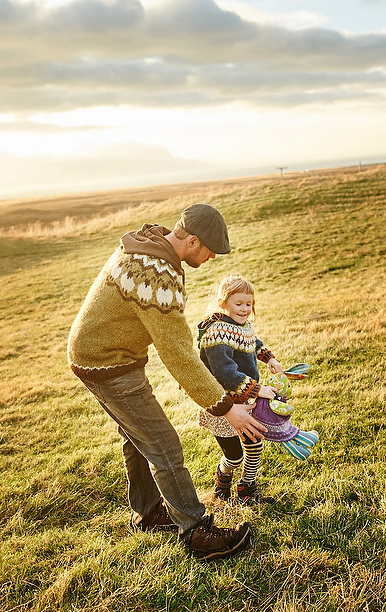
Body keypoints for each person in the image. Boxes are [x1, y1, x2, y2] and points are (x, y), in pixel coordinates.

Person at [67, 204, 266, 561]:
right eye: (209, 251)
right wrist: (225, 406)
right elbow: (177, 354)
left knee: (137, 437)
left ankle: (147, 514)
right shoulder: (156, 275)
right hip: (107, 364)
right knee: (164, 445)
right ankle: (196, 532)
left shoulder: (150, 245)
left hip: (105, 355)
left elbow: (174, 345)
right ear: (192, 241)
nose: (210, 259)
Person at [196, 275, 318, 505]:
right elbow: (225, 373)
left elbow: (252, 340)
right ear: (223, 302)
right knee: (234, 456)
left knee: (255, 445)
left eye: (248, 304)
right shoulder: (216, 333)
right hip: (224, 404)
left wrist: (268, 358)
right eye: (238, 303)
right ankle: (222, 482)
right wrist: (257, 389)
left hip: (245, 401)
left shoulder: (241, 324)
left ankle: (247, 490)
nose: (244, 309)